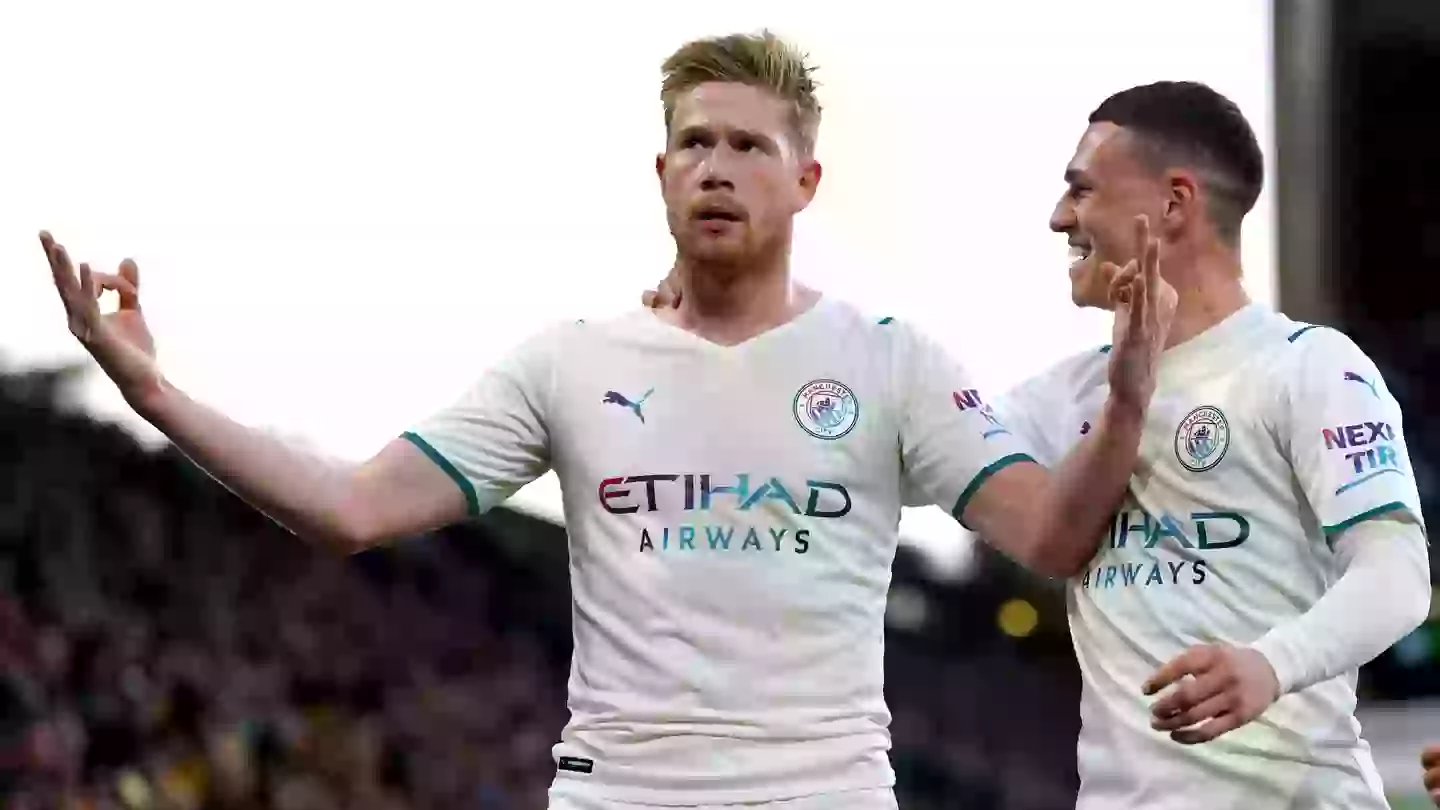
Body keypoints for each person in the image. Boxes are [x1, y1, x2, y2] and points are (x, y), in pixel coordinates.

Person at [40, 30, 1178, 810]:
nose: (718, 168)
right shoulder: (572, 361)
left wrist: (1124, 408)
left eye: (750, 146)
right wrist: (154, 394)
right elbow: (351, 506)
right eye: (696, 142)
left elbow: (1051, 537)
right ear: (660, 169)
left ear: (807, 181)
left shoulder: (889, 360)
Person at [644, 80, 1431, 809]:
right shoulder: (1063, 399)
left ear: (1175, 203)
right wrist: (727, 327)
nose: (1060, 216)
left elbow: (1397, 577)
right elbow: (850, 451)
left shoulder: (1306, 367)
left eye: (1082, 187)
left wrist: (1271, 664)